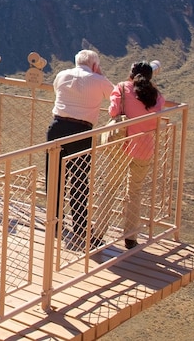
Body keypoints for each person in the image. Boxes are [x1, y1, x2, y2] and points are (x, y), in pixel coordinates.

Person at [47, 49, 114, 248]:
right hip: (81, 132)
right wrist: (100, 75)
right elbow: (115, 96)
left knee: (55, 176)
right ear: (94, 64)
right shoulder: (98, 79)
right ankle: (80, 226)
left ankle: (55, 222)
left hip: (57, 127)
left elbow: (56, 90)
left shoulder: (62, 75)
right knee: (79, 179)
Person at [107, 61, 166, 249]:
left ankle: (98, 231)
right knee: (134, 191)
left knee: (110, 187)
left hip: (121, 145)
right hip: (144, 146)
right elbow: (157, 114)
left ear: (131, 74)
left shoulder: (122, 88)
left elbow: (113, 111)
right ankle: (131, 237)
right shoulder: (156, 95)